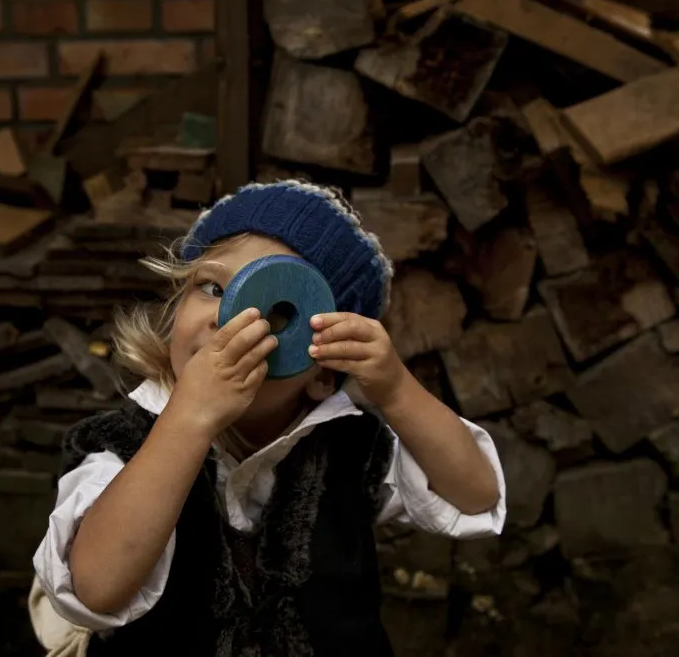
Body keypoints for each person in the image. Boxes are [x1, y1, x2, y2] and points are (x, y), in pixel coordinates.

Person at [32, 179, 506, 656]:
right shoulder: (119, 445)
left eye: (277, 312)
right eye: (213, 287)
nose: (228, 318)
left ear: (323, 372)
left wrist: (397, 389)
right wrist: (188, 419)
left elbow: (473, 495)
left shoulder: (350, 449)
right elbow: (94, 588)